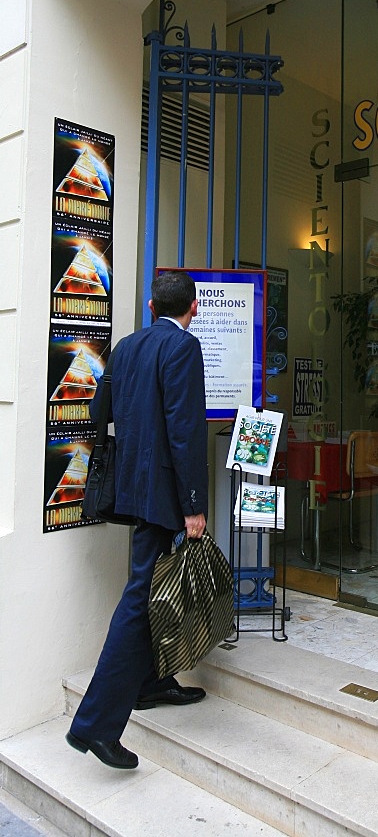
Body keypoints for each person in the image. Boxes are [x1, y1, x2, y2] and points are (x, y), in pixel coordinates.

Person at [66, 271, 209, 770]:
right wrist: (194, 504)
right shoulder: (184, 348)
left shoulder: (126, 346)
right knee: (140, 598)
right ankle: (95, 727)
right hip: (165, 494)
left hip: (132, 486)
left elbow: (100, 408)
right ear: (194, 306)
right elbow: (186, 431)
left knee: (145, 591)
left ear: (151, 305)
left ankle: (150, 682)